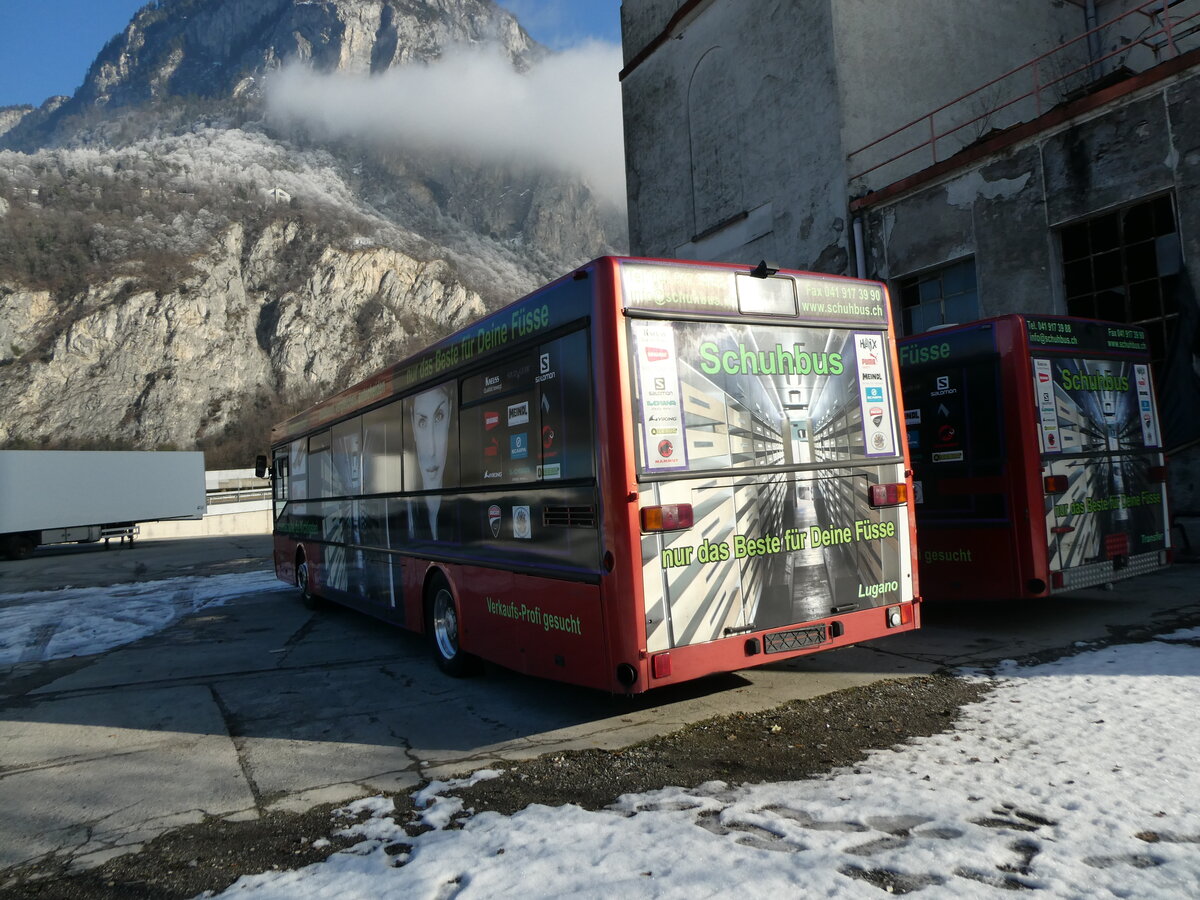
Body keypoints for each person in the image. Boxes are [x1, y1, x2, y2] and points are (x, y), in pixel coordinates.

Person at [409, 382, 453, 540]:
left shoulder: (467, 512)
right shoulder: (405, 517)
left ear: (450, 413)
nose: (432, 450)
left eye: (439, 417)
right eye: (422, 423)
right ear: (413, 427)